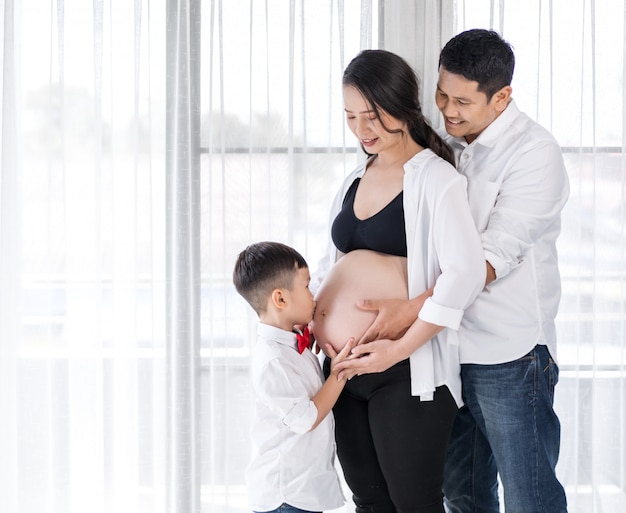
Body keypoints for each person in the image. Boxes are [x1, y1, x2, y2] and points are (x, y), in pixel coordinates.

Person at [341, 30, 570, 513]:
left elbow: (486, 261)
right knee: (462, 494)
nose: (447, 109)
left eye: (463, 101)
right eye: (442, 94)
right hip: (446, 351)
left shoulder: (534, 154)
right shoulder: (447, 145)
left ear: (502, 96)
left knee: (529, 496)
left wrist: (407, 314)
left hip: (507, 354)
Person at [311, 49, 486, 513]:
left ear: (403, 106)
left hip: (407, 369)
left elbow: (465, 272)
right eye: (350, 117)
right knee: (368, 502)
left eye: (373, 115)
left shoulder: (435, 178)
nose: (361, 129)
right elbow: (332, 266)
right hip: (346, 371)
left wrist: (397, 348)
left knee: (414, 504)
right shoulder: (354, 178)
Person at [233, 241, 354, 513]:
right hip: (285, 494)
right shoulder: (273, 360)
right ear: (280, 299)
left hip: (300, 490)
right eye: (307, 286)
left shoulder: (290, 346)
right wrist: (339, 372)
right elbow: (306, 417)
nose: (314, 296)